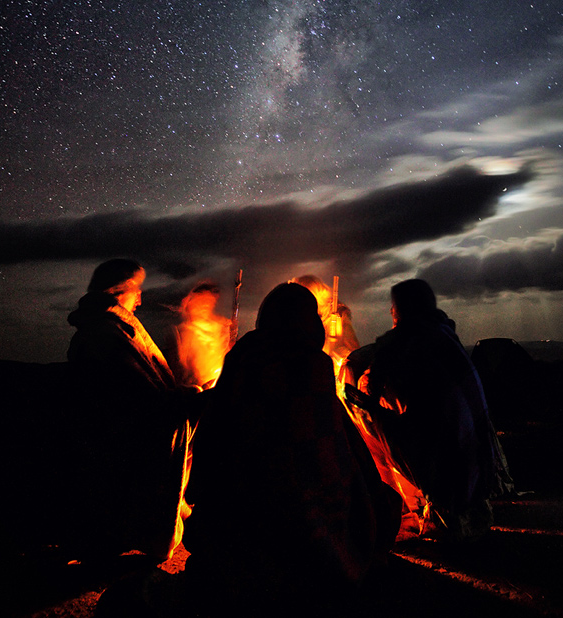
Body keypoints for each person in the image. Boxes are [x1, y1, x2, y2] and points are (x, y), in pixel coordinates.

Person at [183, 283, 399, 616]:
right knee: (376, 504)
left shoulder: (241, 359)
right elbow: (331, 454)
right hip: (305, 527)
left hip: (241, 522)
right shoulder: (314, 366)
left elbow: (213, 439)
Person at [66, 259, 195, 561]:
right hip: (122, 438)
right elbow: (141, 397)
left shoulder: (110, 329)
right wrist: (192, 397)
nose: (140, 299)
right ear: (117, 291)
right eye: (136, 290)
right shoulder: (106, 336)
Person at [356, 278, 505, 539]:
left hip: (445, 466)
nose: (391, 313)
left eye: (393, 308)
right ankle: (457, 503)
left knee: (362, 404)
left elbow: (372, 385)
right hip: (481, 466)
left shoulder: (403, 339)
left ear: (400, 309)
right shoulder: (445, 333)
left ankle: (404, 497)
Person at [171, 281, 232, 389]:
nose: (205, 305)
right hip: (193, 391)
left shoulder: (220, 329)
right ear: (190, 302)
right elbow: (179, 368)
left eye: (209, 301)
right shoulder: (182, 333)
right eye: (201, 300)